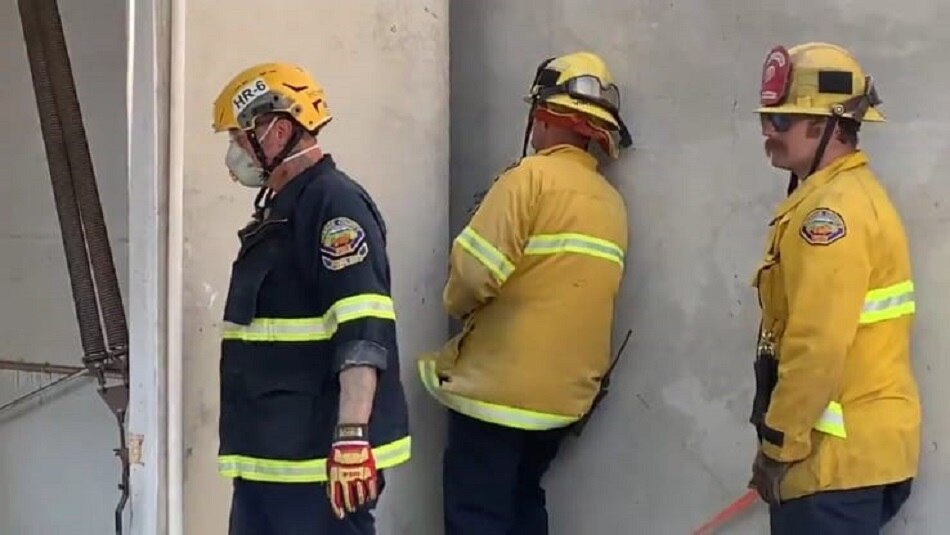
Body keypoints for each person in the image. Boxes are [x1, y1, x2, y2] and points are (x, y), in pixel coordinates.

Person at [417, 51, 633, 535]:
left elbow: (472, 277)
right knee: (524, 504)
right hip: (562, 398)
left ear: (546, 116)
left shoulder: (527, 179)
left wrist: (455, 308)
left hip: (498, 391)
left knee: (478, 514)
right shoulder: (610, 202)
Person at [210, 62, 411, 535]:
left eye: (240, 139)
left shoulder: (333, 206)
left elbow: (363, 327)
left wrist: (351, 438)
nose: (234, 154)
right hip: (269, 457)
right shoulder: (283, 208)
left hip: (314, 466)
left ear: (277, 131)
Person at [748, 42, 920, 533]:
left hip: (832, 466)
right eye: (766, 115)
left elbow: (816, 343)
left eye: (780, 120)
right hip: (858, 457)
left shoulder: (830, 215)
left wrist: (778, 446)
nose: (766, 130)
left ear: (824, 125)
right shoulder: (841, 196)